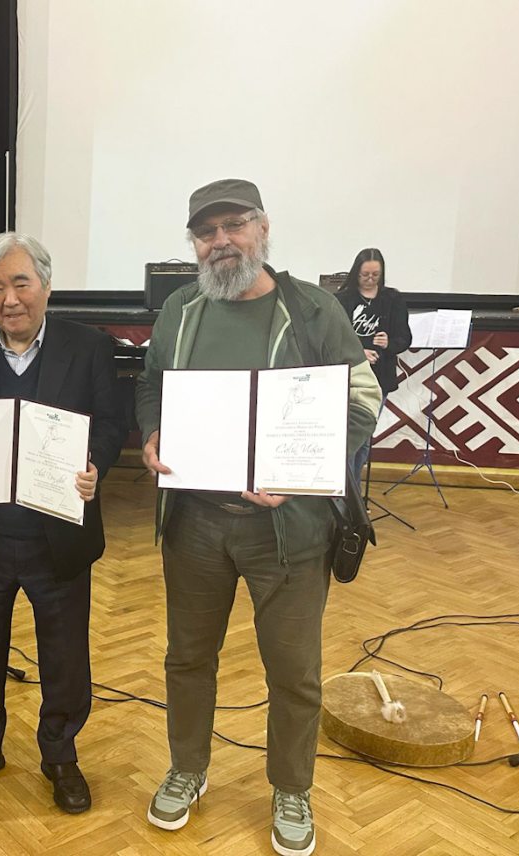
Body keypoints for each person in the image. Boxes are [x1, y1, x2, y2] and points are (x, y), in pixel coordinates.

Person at [135, 179, 380, 854]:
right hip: (193, 524)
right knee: (187, 658)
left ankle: (291, 786)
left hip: (288, 530)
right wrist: (152, 431)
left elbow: (363, 401)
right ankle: (187, 768)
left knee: (293, 671)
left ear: (262, 229)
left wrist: (299, 471)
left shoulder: (313, 310)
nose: (220, 241)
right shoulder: (180, 310)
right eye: (205, 232)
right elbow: (151, 384)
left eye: (233, 226)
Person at [0, 233, 126, 814]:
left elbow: (112, 424)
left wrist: (95, 465)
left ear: (46, 286)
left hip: (59, 534)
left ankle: (60, 755)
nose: (9, 299)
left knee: (64, 654)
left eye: (20, 283)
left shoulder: (89, 347)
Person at [334, 248, 412, 481]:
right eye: (365, 275)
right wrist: (358, 352)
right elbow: (333, 337)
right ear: (355, 273)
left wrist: (389, 343)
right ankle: (344, 489)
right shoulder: (342, 299)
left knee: (364, 436)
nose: (370, 279)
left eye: (375, 275)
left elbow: (404, 338)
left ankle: (354, 487)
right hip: (348, 376)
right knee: (346, 436)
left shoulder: (392, 299)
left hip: (379, 379)